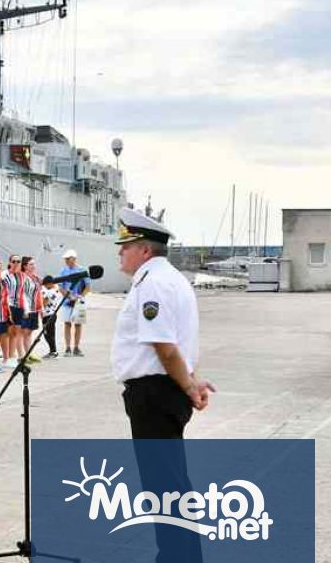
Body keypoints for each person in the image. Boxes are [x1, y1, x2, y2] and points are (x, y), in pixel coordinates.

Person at [111, 208, 215, 563]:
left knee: (164, 489)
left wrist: (188, 387)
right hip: (163, 391)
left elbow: (166, 347)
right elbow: (180, 343)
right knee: (172, 486)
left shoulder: (152, 283)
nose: (119, 253)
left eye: (125, 246)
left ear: (144, 250)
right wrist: (191, 382)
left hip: (154, 395)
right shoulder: (171, 279)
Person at [57, 249, 91, 357]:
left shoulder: (82, 270)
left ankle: (76, 347)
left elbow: (88, 287)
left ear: (74, 259)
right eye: (65, 259)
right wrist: (67, 296)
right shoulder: (63, 271)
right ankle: (67, 348)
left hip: (79, 301)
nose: (66, 261)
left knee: (78, 324)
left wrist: (79, 297)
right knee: (67, 324)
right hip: (67, 301)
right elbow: (60, 286)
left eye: (68, 259)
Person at [17, 257, 44, 362]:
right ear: (25, 266)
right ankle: (22, 355)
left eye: (34, 264)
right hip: (25, 308)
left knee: (29, 332)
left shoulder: (35, 278)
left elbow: (40, 292)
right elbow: (20, 293)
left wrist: (41, 307)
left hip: (34, 308)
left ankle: (29, 353)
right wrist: (24, 309)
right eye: (31, 264)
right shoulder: (22, 277)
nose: (33, 266)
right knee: (24, 331)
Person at [2, 255, 23, 368]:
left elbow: (23, 291)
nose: (16, 263)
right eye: (14, 261)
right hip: (8, 305)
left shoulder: (20, 276)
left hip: (18, 305)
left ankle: (12, 356)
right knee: (7, 332)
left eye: (18, 261)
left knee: (15, 332)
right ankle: (6, 357)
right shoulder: (4, 275)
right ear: (10, 262)